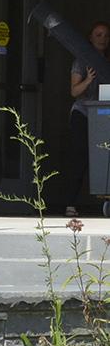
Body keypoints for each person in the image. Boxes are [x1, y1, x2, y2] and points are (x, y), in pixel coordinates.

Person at [65, 20, 109, 216]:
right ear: (90, 38)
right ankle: (70, 203)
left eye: (106, 35)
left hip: (103, 114)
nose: (103, 39)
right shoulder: (81, 60)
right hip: (83, 113)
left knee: (104, 157)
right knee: (79, 156)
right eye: (98, 35)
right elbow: (74, 91)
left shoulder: (107, 62)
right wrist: (89, 79)